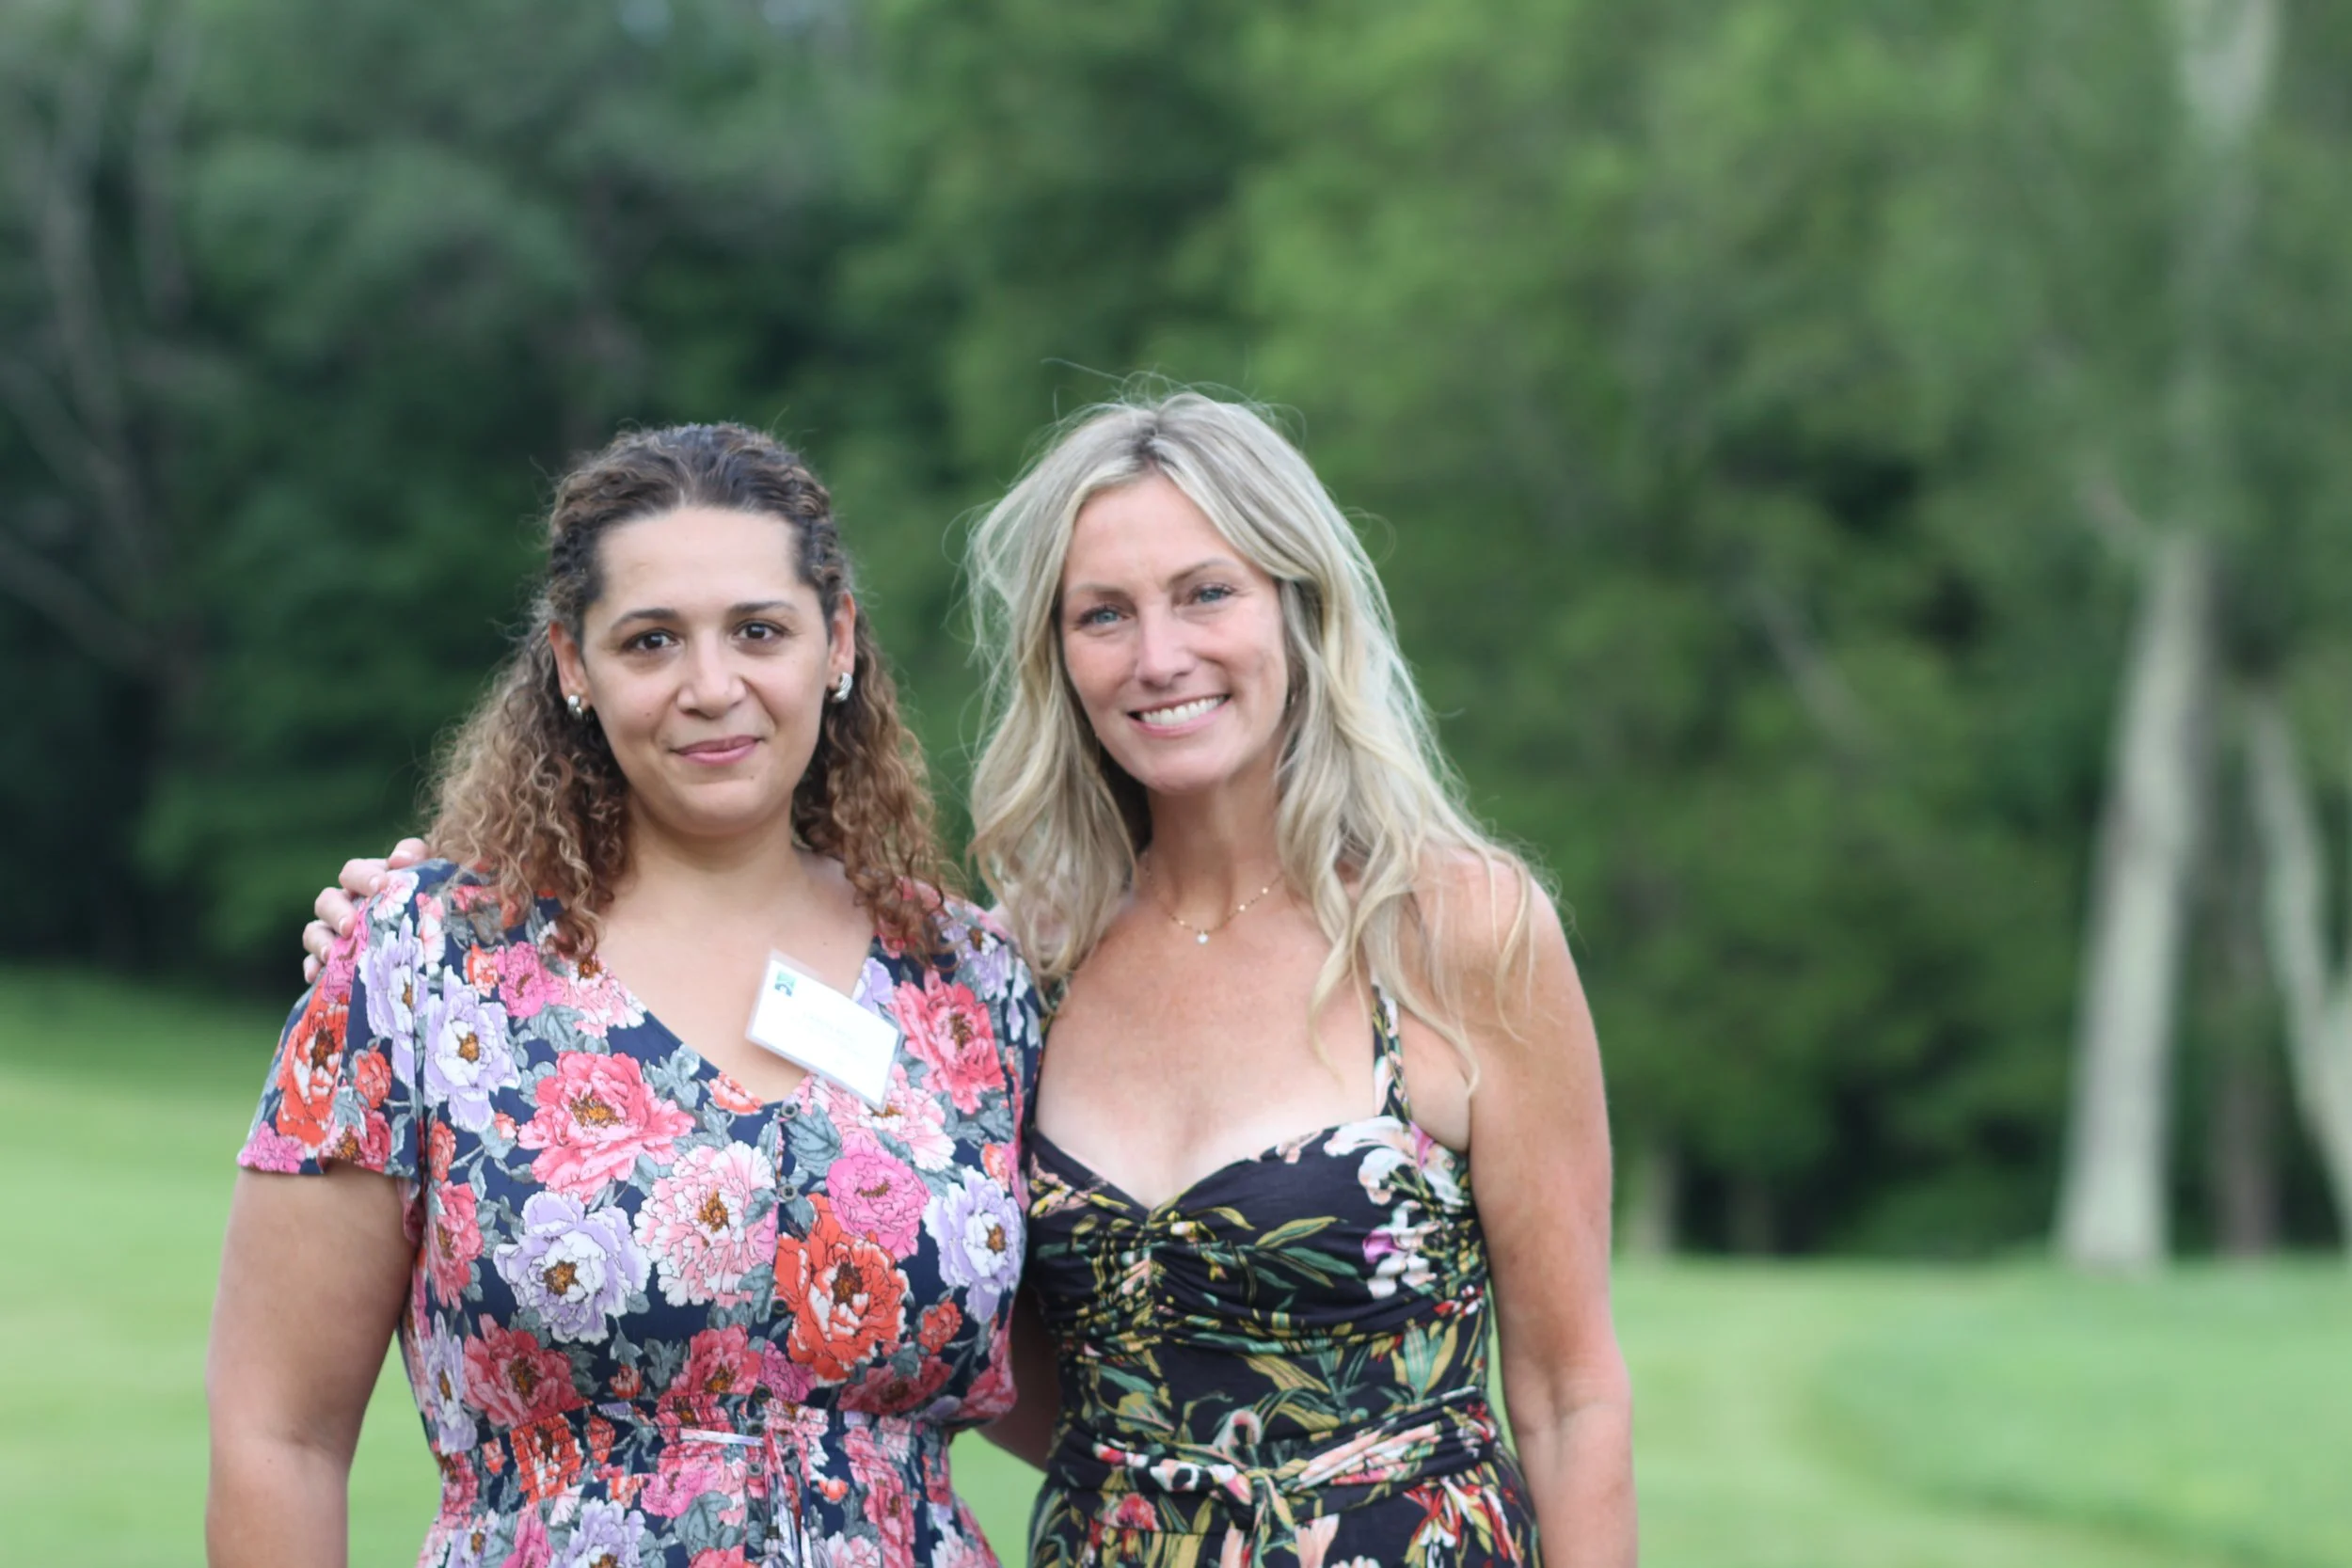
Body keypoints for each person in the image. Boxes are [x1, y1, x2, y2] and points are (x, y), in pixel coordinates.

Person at [307, 392, 1635, 1567]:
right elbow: (955, 1323)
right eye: (1102, 614)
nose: (1157, 655)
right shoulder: (1029, 964)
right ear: (1059, 656)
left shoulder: (1456, 931)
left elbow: (1573, 1396)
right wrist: (397, 936)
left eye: (1206, 592)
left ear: (1300, 604)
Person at [214, 424, 1043, 1568]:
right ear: (571, 664)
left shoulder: (971, 983)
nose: (714, 687)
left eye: (759, 631)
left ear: (837, 638)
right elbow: (280, 1434)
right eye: (651, 641)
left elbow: (1084, 1388)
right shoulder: (421, 967)